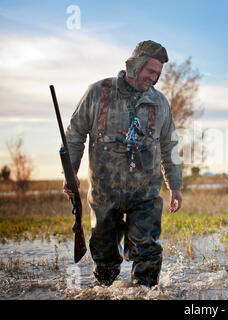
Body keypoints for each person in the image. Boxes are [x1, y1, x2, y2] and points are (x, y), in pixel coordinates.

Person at [63, 40, 183, 288]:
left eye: (158, 74)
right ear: (135, 65)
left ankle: (144, 292)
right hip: (105, 193)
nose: (154, 78)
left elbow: (169, 147)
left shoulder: (160, 103)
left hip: (146, 193)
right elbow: (74, 135)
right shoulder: (97, 92)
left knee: (148, 253)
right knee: (105, 260)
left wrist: (175, 186)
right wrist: (70, 173)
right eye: (151, 71)